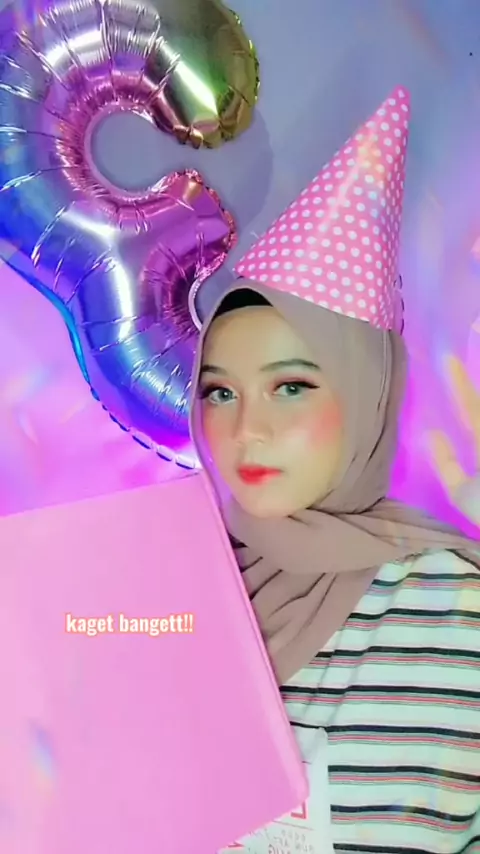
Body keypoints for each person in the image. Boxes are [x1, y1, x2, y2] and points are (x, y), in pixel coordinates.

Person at [189, 88, 480, 853]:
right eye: (220, 392)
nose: (246, 430)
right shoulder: (178, 587)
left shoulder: (453, 609)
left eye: (291, 386)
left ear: (366, 394)